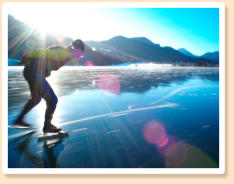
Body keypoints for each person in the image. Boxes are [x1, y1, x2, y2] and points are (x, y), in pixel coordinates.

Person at [14, 39, 85, 133]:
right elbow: (40, 51)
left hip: (32, 72)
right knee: (52, 100)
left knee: (36, 99)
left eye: (79, 56)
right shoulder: (62, 52)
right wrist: (27, 57)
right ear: (74, 49)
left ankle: (19, 119)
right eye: (78, 54)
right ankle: (47, 126)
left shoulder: (65, 54)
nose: (77, 57)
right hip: (34, 72)